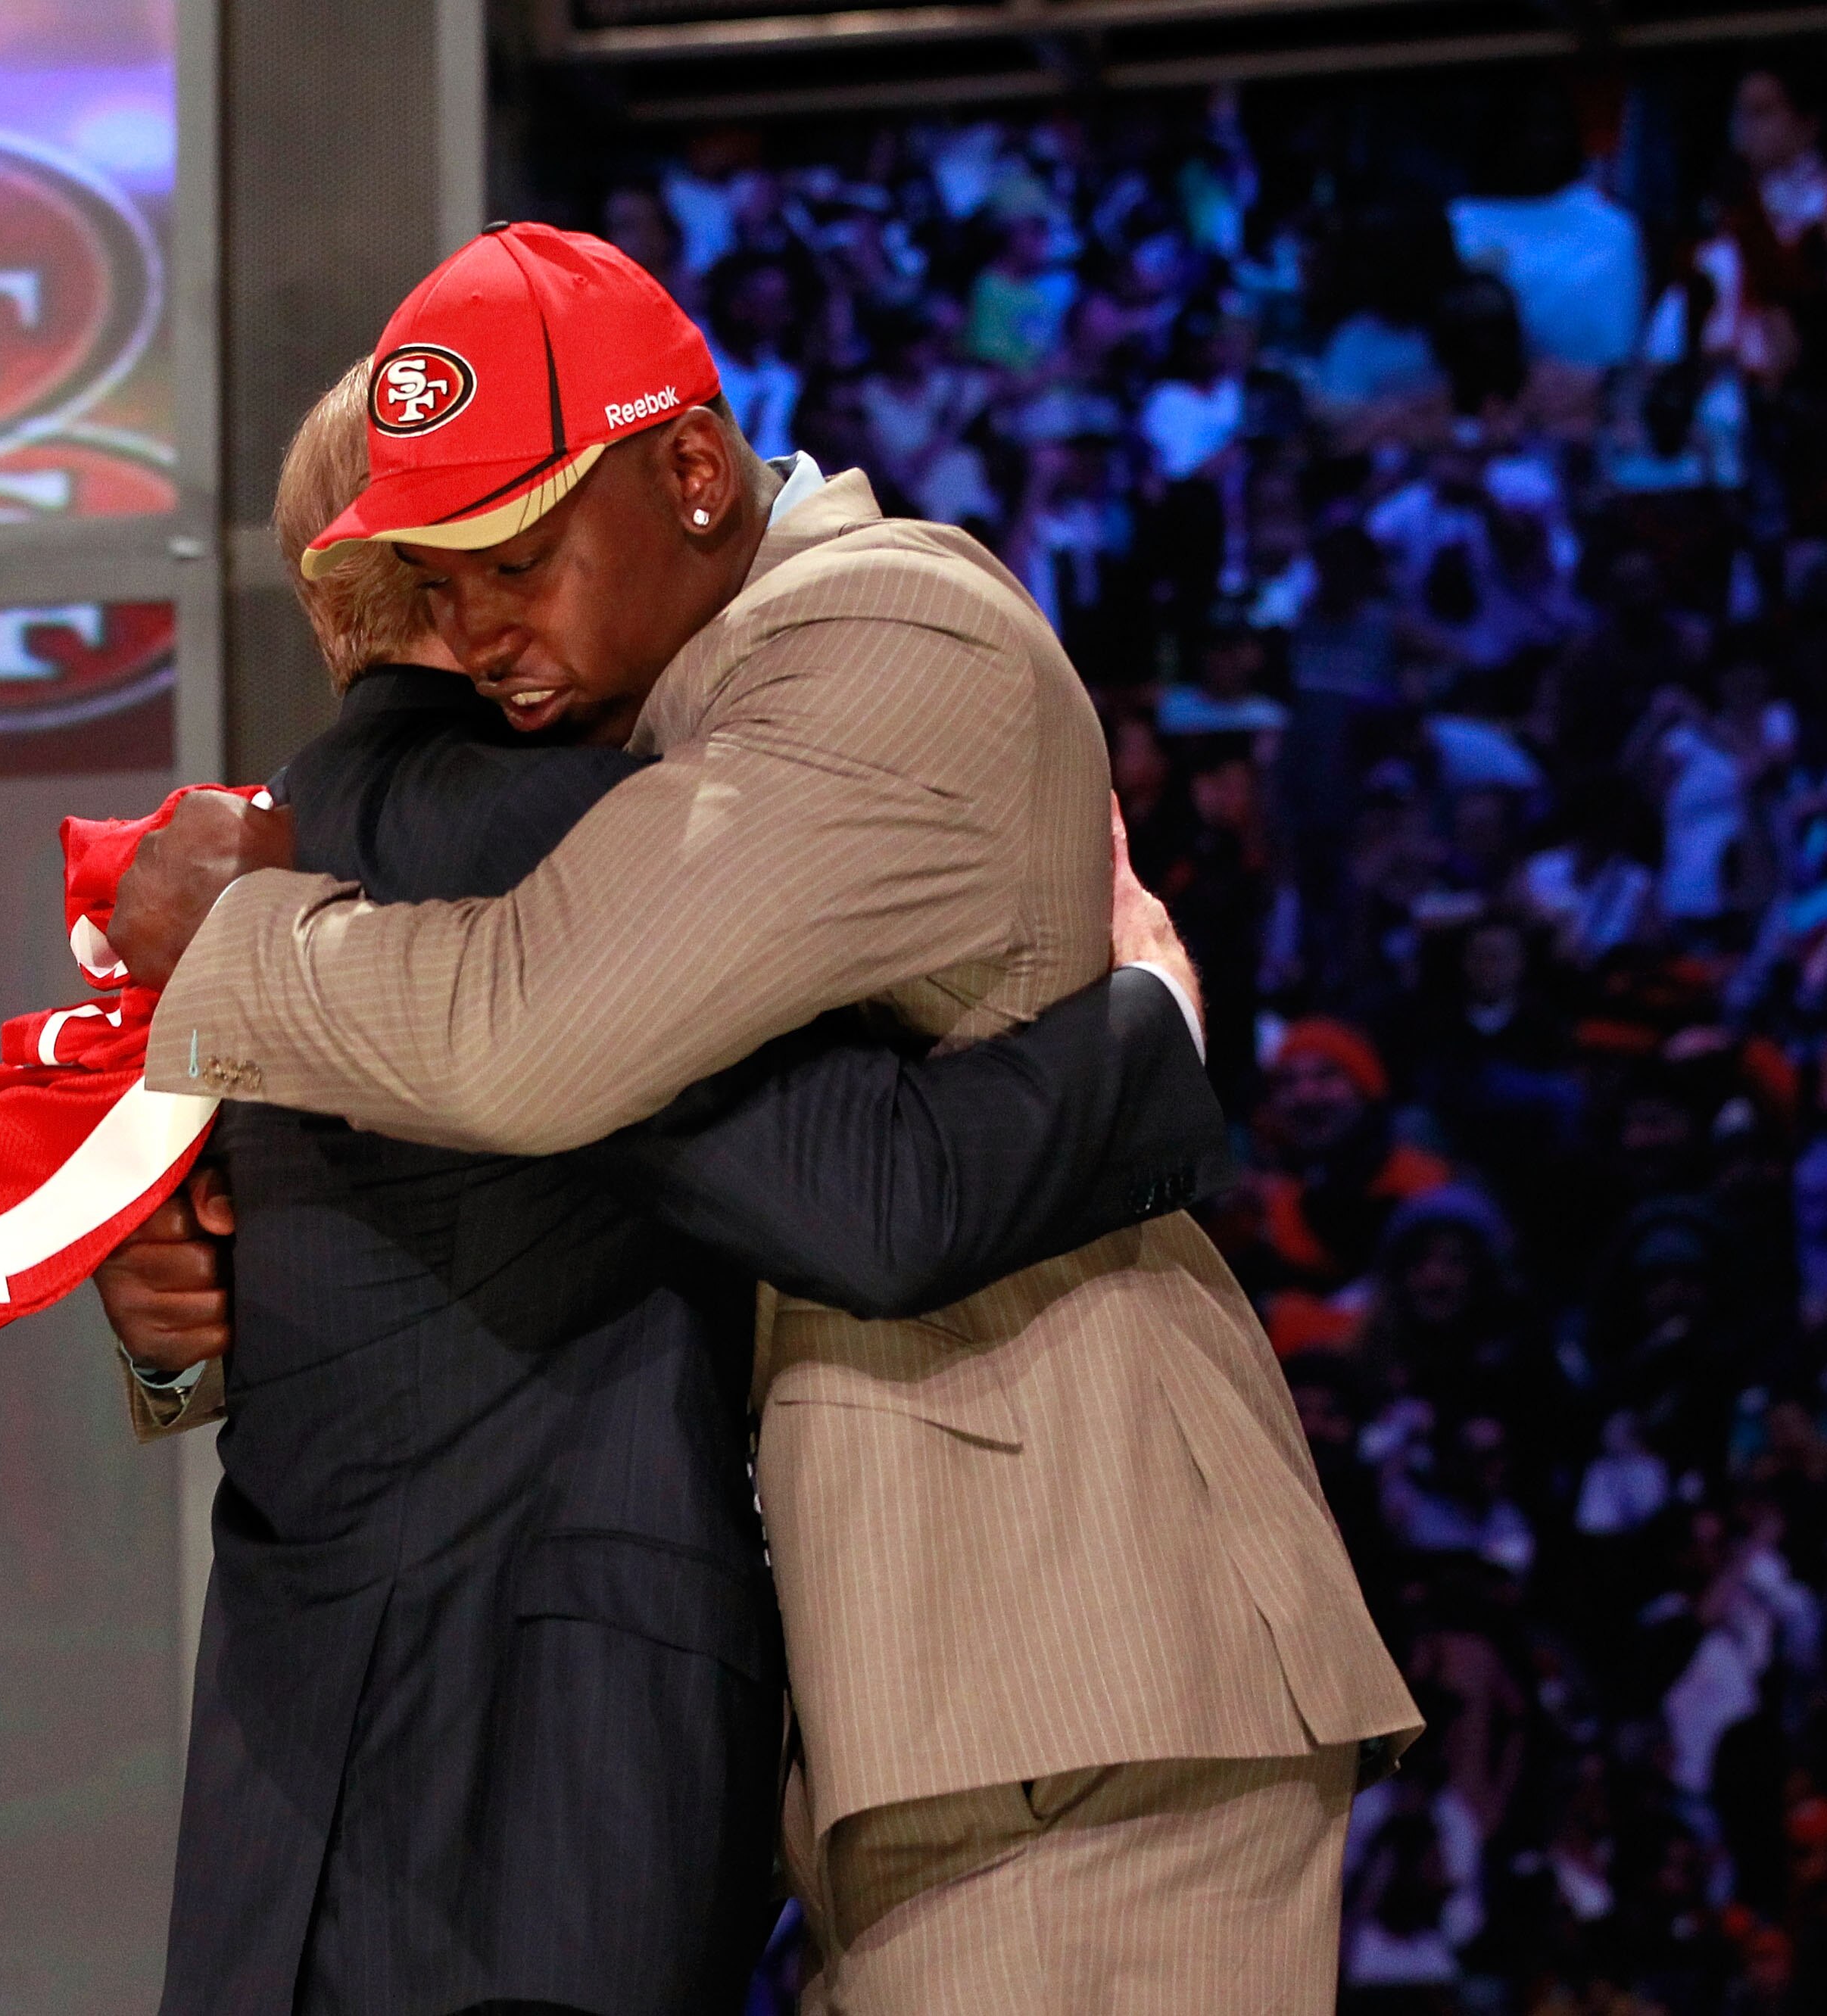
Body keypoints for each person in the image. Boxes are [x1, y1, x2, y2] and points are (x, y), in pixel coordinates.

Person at [110, 224, 1419, 2011]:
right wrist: (192, 1311)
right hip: (900, 1730)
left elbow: (585, 1062)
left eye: (518, 555)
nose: (487, 635)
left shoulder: (876, 625)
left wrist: (236, 948)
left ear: (697, 473)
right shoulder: (624, 756)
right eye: (441, 578)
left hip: (1066, 1674)